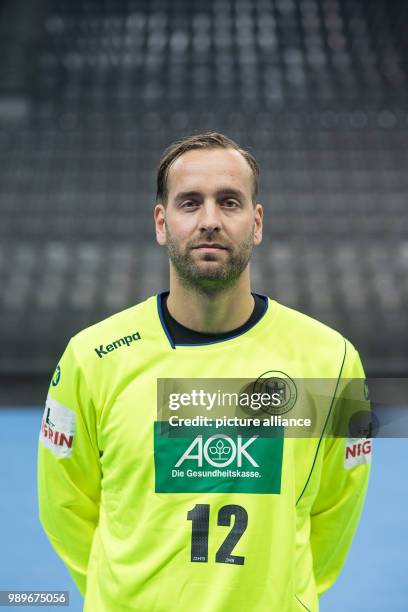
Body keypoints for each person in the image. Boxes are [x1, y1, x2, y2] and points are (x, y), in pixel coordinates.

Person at [38, 132, 372, 611]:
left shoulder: (332, 362)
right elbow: (65, 507)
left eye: (229, 202)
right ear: (162, 222)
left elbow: (336, 510)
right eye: (190, 203)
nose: (210, 221)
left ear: (256, 223)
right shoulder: (92, 357)